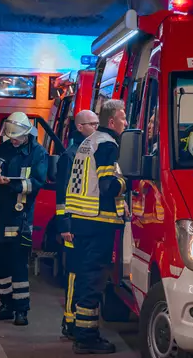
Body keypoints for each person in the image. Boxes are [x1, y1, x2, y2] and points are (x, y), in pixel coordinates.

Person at [66, 99, 128, 354]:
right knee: (93, 280)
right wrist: (127, 182)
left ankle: (80, 330)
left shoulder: (88, 142)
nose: (127, 123)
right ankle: (87, 338)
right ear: (112, 121)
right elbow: (107, 185)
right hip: (98, 220)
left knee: (83, 276)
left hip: (81, 218)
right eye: (123, 118)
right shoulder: (108, 145)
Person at [0, 112, 48, 326]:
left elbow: (36, 183)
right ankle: (6, 305)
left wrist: (9, 184)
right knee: (1, 264)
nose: (13, 140)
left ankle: (21, 310)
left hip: (19, 216)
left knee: (18, 265)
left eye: (16, 137)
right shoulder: (4, 148)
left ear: (26, 134)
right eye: (10, 137)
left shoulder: (37, 153)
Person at [54, 109, 99, 340]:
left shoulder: (92, 151)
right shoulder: (70, 156)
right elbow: (62, 195)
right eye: (92, 124)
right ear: (80, 127)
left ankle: (77, 319)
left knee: (85, 272)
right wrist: (65, 225)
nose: (96, 128)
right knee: (74, 272)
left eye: (98, 123)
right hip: (74, 226)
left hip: (88, 225)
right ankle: (69, 320)